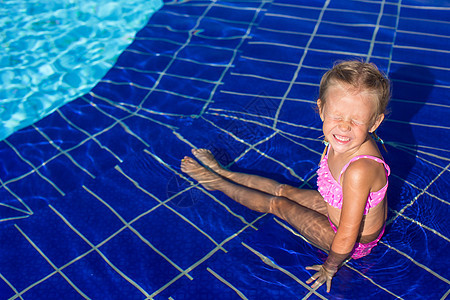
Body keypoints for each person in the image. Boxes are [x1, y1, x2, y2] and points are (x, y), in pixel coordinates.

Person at [180, 60, 391, 293]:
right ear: (321, 109)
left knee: (278, 204)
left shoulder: (359, 170)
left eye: (356, 120)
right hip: (338, 211)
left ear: (374, 122)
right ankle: (223, 171)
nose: (343, 127)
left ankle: (216, 182)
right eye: (336, 116)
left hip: (350, 242)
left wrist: (330, 267)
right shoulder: (342, 140)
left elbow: (347, 235)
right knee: (284, 190)